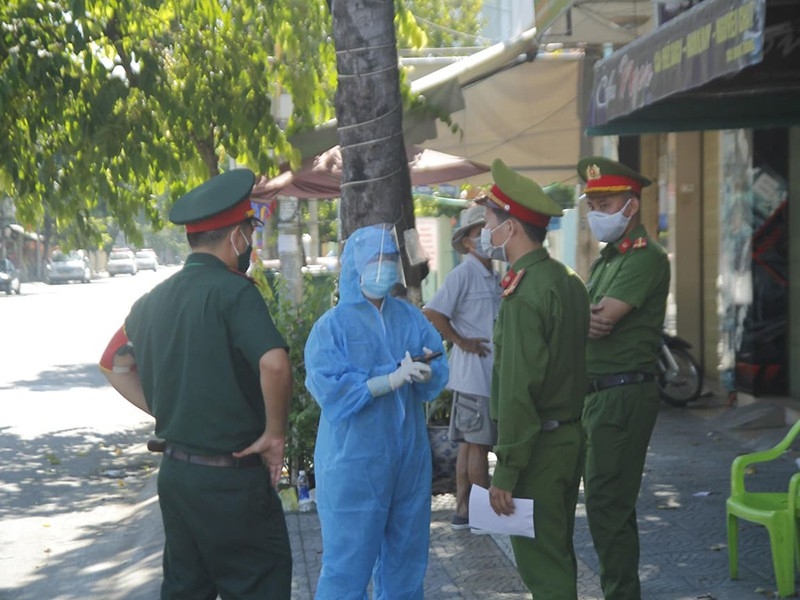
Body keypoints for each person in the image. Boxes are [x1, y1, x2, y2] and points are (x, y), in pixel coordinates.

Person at [99, 169, 293, 600]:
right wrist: (275, 435)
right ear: (236, 237)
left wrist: (171, 408)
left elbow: (113, 364)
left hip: (178, 477)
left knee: (188, 589)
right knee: (258, 584)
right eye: (249, 231)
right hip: (233, 481)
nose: (250, 243)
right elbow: (275, 364)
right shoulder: (236, 293)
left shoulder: (151, 301)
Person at [304, 223, 449, 600]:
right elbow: (332, 392)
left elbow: (438, 366)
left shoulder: (410, 317)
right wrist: (388, 381)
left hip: (408, 462)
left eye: (389, 259)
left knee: (406, 561)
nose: (383, 267)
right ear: (355, 266)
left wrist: (426, 370)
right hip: (353, 463)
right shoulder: (330, 328)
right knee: (347, 564)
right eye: (375, 260)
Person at [481, 159, 590, 597]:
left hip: (536, 449)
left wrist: (506, 469)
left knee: (542, 565)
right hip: (566, 439)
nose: (485, 229)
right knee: (557, 551)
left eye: (489, 220)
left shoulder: (524, 295)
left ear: (511, 228)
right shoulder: (568, 281)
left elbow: (518, 390)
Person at [577, 155, 670, 600]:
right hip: (598, 393)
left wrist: (586, 317)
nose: (597, 211)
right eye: (592, 202)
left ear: (632, 206)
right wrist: (584, 317)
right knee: (609, 502)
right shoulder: (606, 260)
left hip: (623, 392)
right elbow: (588, 319)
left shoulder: (645, 257)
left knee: (606, 504)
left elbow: (604, 318)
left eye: (607, 201)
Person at [423, 204, 500, 529]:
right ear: (467, 241)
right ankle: (478, 513)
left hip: (480, 376)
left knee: (472, 445)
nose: (486, 234)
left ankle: (465, 510)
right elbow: (433, 312)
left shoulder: (492, 274)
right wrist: (461, 340)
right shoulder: (464, 273)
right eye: (478, 230)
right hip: (474, 376)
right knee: (478, 446)